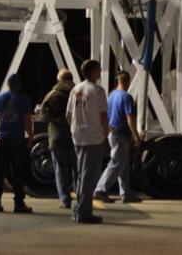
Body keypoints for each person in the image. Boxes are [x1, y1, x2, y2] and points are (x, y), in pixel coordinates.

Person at [0, 72, 34, 214]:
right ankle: (19, 204)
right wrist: (30, 137)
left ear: (8, 84)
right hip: (17, 140)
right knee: (17, 173)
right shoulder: (24, 99)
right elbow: (27, 120)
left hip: (2, 139)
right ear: (19, 84)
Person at [65, 59, 108, 224]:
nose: (100, 71)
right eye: (98, 69)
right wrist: (106, 131)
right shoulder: (98, 90)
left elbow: (68, 115)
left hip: (78, 136)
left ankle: (78, 209)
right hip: (93, 137)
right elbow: (103, 115)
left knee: (82, 175)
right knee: (89, 176)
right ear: (93, 72)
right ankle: (84, 213)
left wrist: (75, 129)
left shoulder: (75, 89)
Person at [93, 70, 141, 203]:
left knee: (123, 164)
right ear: (127, 81)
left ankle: (126, 193)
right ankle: (100, 190)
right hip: (122, 134)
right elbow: (130, 118)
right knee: (117, 163)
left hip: (112, 132)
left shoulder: (111, 95)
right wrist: (136, 136)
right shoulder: (126, 97)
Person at [40, 68, 76, 209]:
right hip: (76, 136)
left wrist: (58, 121)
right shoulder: (78, 93)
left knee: (60, 170)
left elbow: (43, 116)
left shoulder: (53, 94)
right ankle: (81, 197)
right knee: (77, 170)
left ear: (58, 80)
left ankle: (65, 200)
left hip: (57, 137)